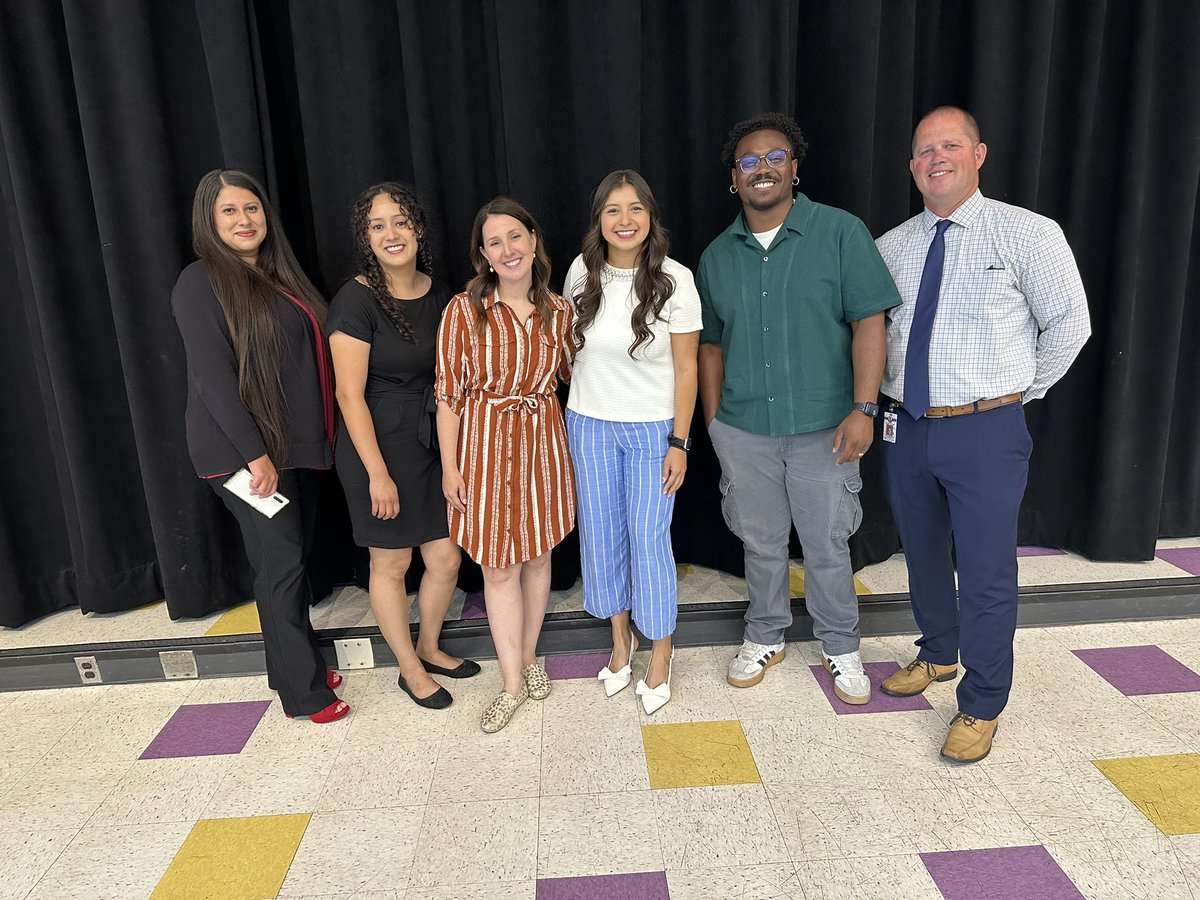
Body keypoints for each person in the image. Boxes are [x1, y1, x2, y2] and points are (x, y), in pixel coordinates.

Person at [875, 106, 1090, 762]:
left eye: (950, 145)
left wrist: (1015, 396)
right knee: (923, 553)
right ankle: (938, 654)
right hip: (905, 427)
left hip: (986, 429)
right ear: (911, 165)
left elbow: (1070, 326)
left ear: (979, 154)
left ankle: (982, 701)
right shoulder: (890, 246)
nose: (935, 158)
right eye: (923, 150)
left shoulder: (1027, 234)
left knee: (987, 570)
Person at [697, 113, 901, 704]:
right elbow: (710, 346)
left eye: (775, 156)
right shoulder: (717, 256)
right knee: (759, 544)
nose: (763, 168)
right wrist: (715, 423)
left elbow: (870, 321)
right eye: (749, 161)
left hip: (827, 427)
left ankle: (841, 645)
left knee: (827, 544)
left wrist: (865, 406)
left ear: (794, 166)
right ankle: (764, 634)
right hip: (743, 429)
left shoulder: (840, 233)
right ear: (734, 179)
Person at [172, 169, 348, 723]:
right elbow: (212, 381)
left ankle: (294, 666)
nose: (244, 220)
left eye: (251, 208)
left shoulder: (277, 276)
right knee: (282, 566)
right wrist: (256, 457)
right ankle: (305, 694)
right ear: (210, 220)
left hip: (290, 451)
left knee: (284, 564)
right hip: (244, 457)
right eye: (230, 211)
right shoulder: (200, 282)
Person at [328, 183, 480, 711]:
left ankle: (430, 645)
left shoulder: (442, 294)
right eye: (378, 225)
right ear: (366, 238)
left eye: (401, 221)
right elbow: (348, 395)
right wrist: (377, 473)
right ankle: (408, 668)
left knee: (444, 556)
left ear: (418, 228)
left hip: (431, 440)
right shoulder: (357, 297)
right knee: (390, 564)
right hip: (377, 447)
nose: (391, 234)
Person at [563, 170, 702, 715]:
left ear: (651, 216)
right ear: (599, 219)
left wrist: (680, 442)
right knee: (601, 537)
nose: (626, 220)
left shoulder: (675, 279)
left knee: (648, 539)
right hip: (589, 425)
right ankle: (621, 643)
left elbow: (687, 369)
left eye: (636, 208)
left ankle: (661, 653)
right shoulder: (581, 273)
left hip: (653, 431)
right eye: (613, 210)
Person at [435, 197, 575, 733]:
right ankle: (512, 681)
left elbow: (568, 377)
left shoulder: (559, 312)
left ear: (534, 241)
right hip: (485, 451)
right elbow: (448, 396)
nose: (508, 249)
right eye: (494, 242)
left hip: (543, 445)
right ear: (484, 255)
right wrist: (450, 468)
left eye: (515, 236)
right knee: (498, 567)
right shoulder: (463, 311)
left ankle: (530, 656)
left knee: (539, 560)